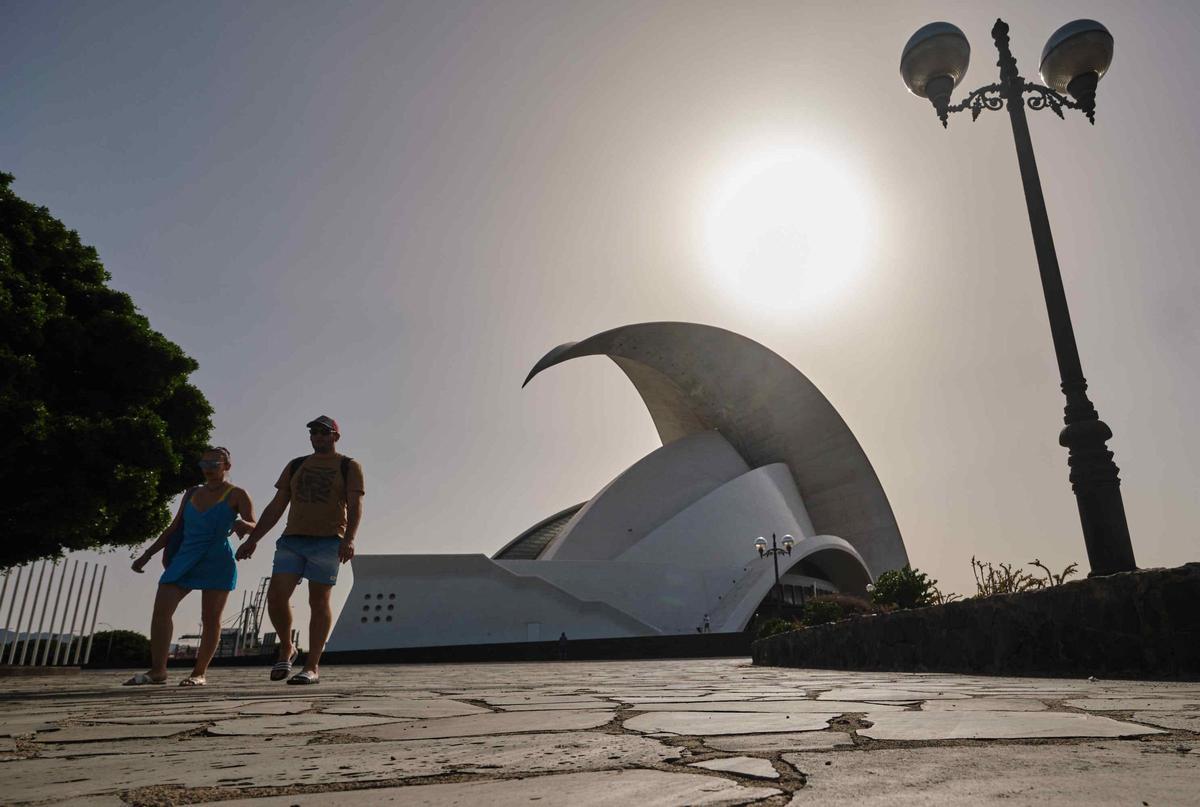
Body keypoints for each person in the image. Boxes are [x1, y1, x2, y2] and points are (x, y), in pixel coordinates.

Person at [236, 416, 364, 685]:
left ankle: (312, 665)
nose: (318, 436)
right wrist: (253, 539)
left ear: (335, 437)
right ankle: (287, 646)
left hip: (328, 540)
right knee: (276, 597)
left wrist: (349, 539)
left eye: (324, 432)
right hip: (292, 540)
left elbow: (354, 505)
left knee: (318, 601)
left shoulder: (348, 466)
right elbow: (277, 505)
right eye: (314, 432)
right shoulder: (296, 465)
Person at [126, 447, 256, 686]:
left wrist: (242, 523)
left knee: (210, 618)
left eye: (214, 464)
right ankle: (158, 670)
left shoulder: (237, 494)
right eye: (203, 464)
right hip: (185, 557)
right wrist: (147, 554)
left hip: (217, 559)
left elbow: (255, 525)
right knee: (162, 611)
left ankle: (199, 673)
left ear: (227, 465)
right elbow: (174, 527)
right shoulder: (192, 493)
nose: (208, 469)